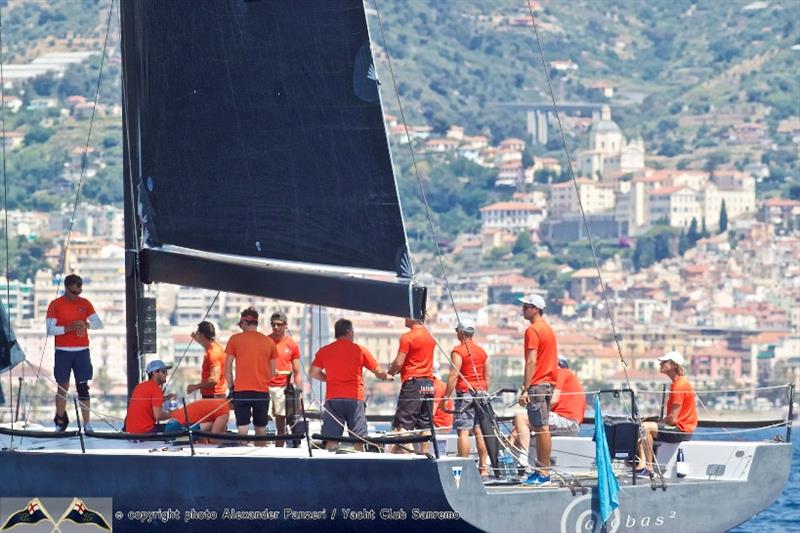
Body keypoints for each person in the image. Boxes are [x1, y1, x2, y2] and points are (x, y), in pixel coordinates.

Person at [309, 319, 392, 451]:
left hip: (333, 399)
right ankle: (358, 468)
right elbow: (378, 371)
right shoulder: (360, 350)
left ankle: (330, 468)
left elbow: (313, 373)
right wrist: (387, 376)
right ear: (349, 332)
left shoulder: (325, 350)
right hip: (354, 400)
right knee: (359, 440)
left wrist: (329, 379)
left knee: (332, 440)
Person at [46, 274, 104, 432]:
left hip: (82, 351)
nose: (76, 295)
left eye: (79, 292)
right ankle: (60, 421)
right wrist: (69, 328)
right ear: (66, 288)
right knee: (62, 387)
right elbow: (50, 329)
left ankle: (87, 424)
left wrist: (86, 325)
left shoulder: (85, 303)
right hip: (63, 351)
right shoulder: (55, 304)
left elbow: (99, 324)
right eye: (73, 292)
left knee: (83, 387)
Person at [516, 293, 558, 486]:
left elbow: (531, 361)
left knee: (541, 428)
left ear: (535, 309)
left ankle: (543, 473)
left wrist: (525, 388)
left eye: (526, 306)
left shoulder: (533, 330)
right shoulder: (548, 330)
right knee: (543, 427)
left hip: (538, 384)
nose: (523, 309)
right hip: (549, 384)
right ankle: (543, 470)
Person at [441, 319, 490, 476]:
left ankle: (462, 468)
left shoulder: (458, 351)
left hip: (466, 394)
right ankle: (484, 468)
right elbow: (487, 377)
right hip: (482, 394)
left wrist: (446, 397)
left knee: (463, 431)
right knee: (479, 430)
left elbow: (454, 375)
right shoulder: (482, 352)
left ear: (460, 333)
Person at [637, 351, 697, 475]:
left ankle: (648, 467)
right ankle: (641, 464)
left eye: (664, 362)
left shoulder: (679, 386)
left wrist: (657, 423)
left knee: (644, 427)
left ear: (674, 365)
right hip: (680, 428)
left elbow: (672, 420)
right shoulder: (679, 383)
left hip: (680, 430)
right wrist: (658, 422)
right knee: (644, 426)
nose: (661, 364)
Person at [224, 307, 278, 446]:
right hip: (261, 391)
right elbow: (273, 372)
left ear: (243, 322)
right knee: (261, 431)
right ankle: (261, 460)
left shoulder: (235, 339)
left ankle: (242, 462)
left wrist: (231, 387)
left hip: (241, 391)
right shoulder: (269, 342)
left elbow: (227, 368)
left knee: (242, 431)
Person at [514, 355, 585, 456]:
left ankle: (523, 459)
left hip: (567, 421)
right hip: (569, 422)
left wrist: (533, 412)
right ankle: (510, 465)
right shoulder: (568, 376)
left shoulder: (561, 373)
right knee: (516, 432)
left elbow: (553, 400)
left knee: (520, 418)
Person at [387, 317, 436, 454]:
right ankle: (426, 455)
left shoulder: (408, 337)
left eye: (406, 315)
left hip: (413, 383)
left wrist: (390, 373)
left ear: (413, 318)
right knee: (425, 425)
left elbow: (399, 362)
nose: (404, 318)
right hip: (428, 383)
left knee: (403, 424)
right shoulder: (430, 336)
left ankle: (409, 454)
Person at [267, 311, 302, 447]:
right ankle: (261, 447)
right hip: (265, 385)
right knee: (261, 418)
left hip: (282, 387)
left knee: (281, 420)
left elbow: (297, 372)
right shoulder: (266, 341)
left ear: (285, 326)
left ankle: (279, 449)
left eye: (279, 325)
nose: (276, 327)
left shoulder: (291, 344)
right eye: (273, 325)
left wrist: (298, 392)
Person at [125, 360, 175, 434]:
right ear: (155, 373)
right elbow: (158, 416)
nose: (166, 374)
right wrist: (174, 413)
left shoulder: (140, 386)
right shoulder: (156, 389)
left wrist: (165, 398)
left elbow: (147, 403)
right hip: (146, 432)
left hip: (131, 431)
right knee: (177, 427)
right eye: (164, 371)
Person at [186, 321, 227, 399]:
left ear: (202, 335)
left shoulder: (213, 353)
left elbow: (214, 380)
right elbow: (205, 343)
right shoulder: (214, 346)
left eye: (198, 333)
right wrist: (196, 338)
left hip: (213, 396)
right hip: (215, 395)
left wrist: (195, 386)